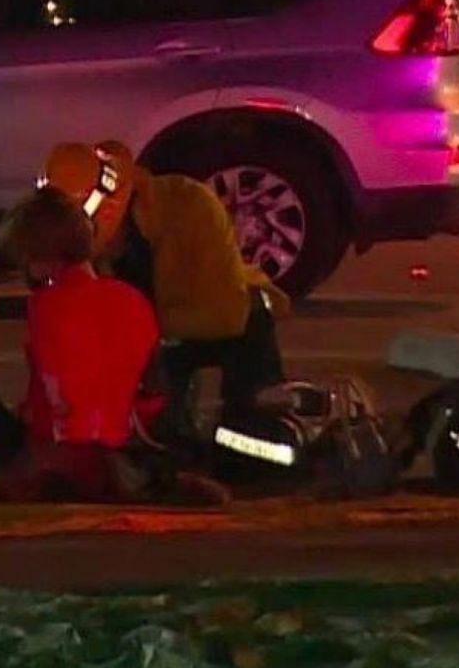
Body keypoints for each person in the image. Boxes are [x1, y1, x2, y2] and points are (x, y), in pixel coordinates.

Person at [0, 188, 221, 504]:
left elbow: (60, 404)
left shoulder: (47, 305)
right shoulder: (132, 299)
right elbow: (153, 395)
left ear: (39, 256)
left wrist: (36, 467)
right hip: (126, 456)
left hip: (62, 460)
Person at [38, 141, 288, 454]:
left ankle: (251, 435)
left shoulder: (189, 206)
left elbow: (227, 313)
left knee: (253, 321)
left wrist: (139, 327)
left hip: (215, 328)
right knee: (152, 442)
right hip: (148, 343)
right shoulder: (76, 259)